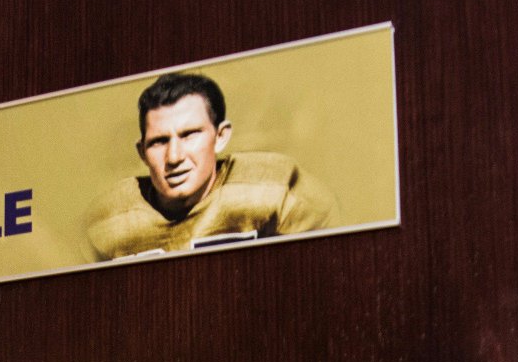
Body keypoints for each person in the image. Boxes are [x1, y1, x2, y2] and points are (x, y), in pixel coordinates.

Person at [85, 71, 340, 260]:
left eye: (189, 135)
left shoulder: (276, 190)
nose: (174, 157)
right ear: (142, 152)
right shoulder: (107, 221)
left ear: (220, 137)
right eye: (159, 142)